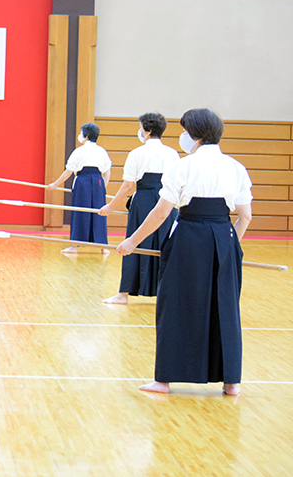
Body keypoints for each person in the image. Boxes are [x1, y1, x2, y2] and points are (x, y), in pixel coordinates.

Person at [116, 108, 252, 396]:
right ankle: (231, 382)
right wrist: (230, 246)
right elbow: (245, 216)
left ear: (195, 136)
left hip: (189, 236)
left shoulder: (183, 166)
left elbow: (161, 212)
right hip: (224, 238)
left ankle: (164, 380)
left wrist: (132, 242)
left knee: (175, 305)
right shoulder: (236, 167)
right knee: (225, 307)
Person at [99, 113, 180, 304]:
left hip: (143, 200)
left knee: (134, 242)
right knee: (166, 245)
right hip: (167, 202)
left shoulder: (136, 153)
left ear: (148, 131)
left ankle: (123, 294)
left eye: (141, 128)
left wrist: (110, 207)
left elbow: (128, 186)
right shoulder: (173, 154)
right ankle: (166, 294)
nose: (140, 131)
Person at [48, 122, 111, 253]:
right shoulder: (102, 151)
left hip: (83, 182)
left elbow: (68, 172)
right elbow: (107, 172)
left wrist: (55, 184)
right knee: (100, 212)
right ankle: (103, 247)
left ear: (86, 136)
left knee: (79, 211)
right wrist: (102, 188)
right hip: (98, 181)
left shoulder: (79, 151)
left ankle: (74, 246)